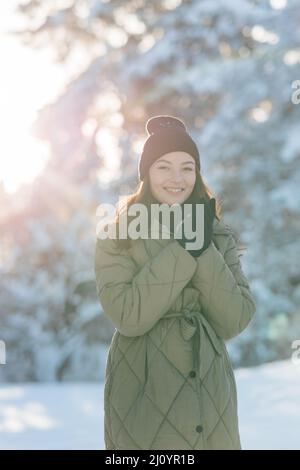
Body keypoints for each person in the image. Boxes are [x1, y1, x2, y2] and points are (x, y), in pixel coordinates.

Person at [94, 115, 256, 450]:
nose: (177, 179)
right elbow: (127, 315)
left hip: (211, 394)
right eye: (163, 167)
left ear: (197, 173)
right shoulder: (118, 235)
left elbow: (236, 318)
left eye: (187, 167)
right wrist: (184, 251)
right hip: (144, 386)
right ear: (146, 174)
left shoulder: (218, 234)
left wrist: (203, 248)